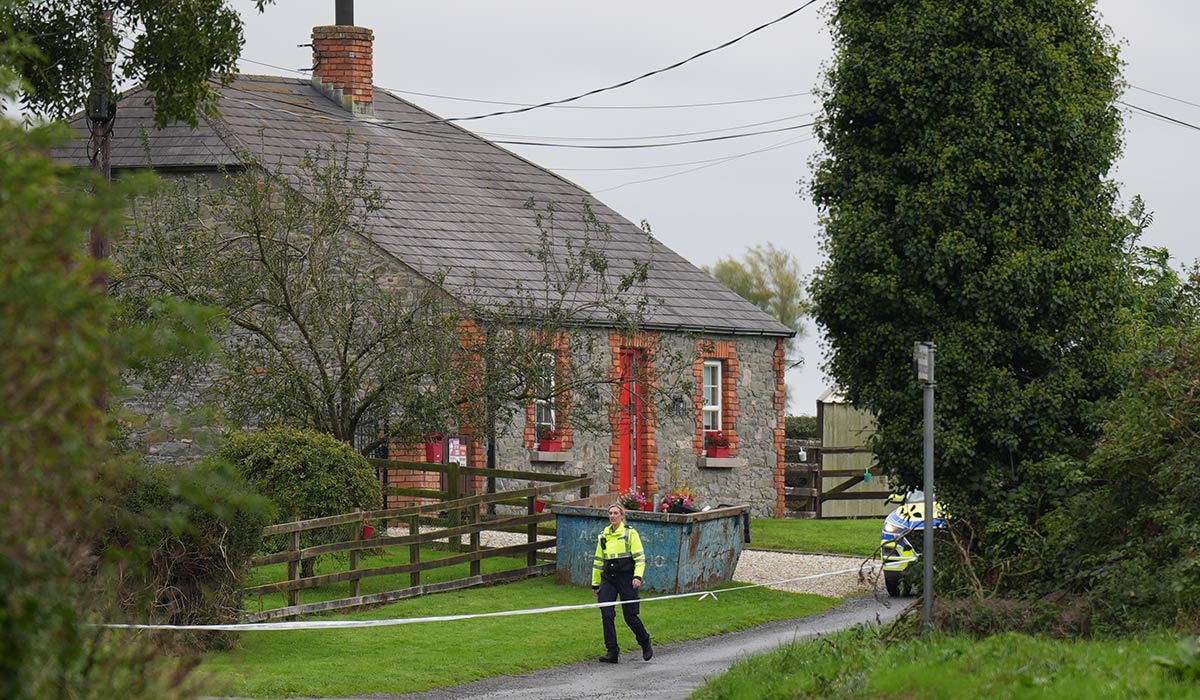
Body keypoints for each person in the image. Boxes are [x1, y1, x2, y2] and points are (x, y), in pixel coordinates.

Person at [592, 503, 652, 663]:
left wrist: (637, 577)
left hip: (627, 577)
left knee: (630, 616)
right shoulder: (603, 535)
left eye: (615, 513)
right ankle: (612, 651)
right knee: (607, 613)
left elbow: (640, 558)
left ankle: (645, 641)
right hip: (609, 578)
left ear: (622, 516)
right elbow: (598, 560)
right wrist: (596, 584)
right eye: (610, 513)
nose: (612, 516)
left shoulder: (630, 533)